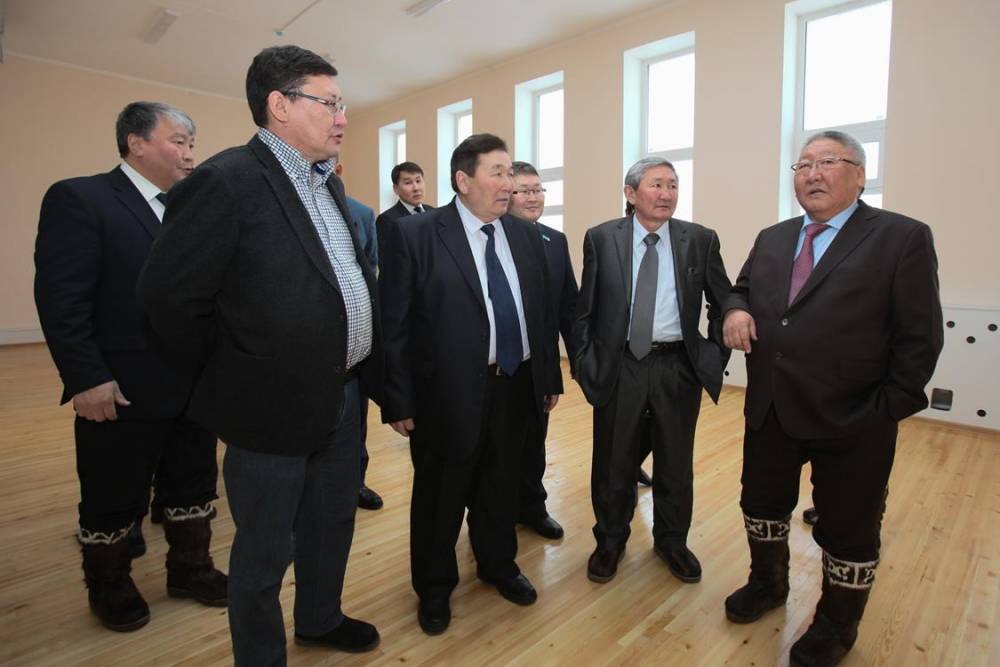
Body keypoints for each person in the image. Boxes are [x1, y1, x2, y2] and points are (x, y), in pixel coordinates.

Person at [138, 45, 381, 664]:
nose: (343, 117)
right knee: (266, 549)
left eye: (342, 104)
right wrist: (235, 369)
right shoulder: (226, 181)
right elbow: (168, 298)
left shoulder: (328, 183)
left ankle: (320, 619)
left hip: (342, 396)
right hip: (268, 406)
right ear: (280, 105)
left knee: (331, 523)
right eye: (329, 103)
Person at [721, 130, 943, 667]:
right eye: (802, 165)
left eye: (827, 162)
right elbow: (741, 288)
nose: (812, 174)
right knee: (761, 505)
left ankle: (836, 625)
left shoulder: (900, 237)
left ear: (860, 175)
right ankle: (768, 583)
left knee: (848, 529)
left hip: (854, 419)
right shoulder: (773, 238)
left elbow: (920, 337)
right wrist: (735, 309)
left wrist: (885, 410)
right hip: (771, 408)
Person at [34, 101, 226, 633]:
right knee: (113, 492)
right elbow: (62, 300)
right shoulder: (82, 198)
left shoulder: (191, 209)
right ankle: (110, 584)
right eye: (178, 141)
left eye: (192, 143)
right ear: (135, 143)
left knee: (193, 482)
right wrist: (86, 378)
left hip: (193, 385)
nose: (190, 154)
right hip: (120, 387)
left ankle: (190, 569)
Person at [379, 134, 562, 635]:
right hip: (444, 394)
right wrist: (398, 398)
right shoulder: (416, 235)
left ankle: (497, 564)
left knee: (501, 485)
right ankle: (435, 587)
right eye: (497, 173)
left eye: (511, 174)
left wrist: (547, 376)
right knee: (440, 495)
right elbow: (392, 324)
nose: (509, 184)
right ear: (463, 180)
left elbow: (540, 314)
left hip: (515, 385)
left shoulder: (524, 236)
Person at [574, 157, 731, 585]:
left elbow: (724, 301)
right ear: (631, 193)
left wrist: (713, 355)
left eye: (673, 185)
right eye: (656, 184)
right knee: (613, 460)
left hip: (677, 366)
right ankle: (610, 540)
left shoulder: (700, 240)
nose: (666, 194)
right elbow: (584, 309)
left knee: (675, 461)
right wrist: (586, 364)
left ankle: (672, 542)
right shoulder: (601, 238)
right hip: (620, 365)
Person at [506, 161, 578, 540]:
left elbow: (567, 309)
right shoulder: (492, 239)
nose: (533, 197)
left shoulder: (555, 241)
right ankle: (494, 516)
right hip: (497, 368)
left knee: (534, 444)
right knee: (497, 451)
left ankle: (532, 507)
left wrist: (576, 365)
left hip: (539, 367)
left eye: (538, 189)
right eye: (524, 190)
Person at [334, 159, 384, 512]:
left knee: (355, 418)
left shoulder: (362, 213)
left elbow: (370, 265)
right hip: (306, 344)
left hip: (355, 345)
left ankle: (356, 481)